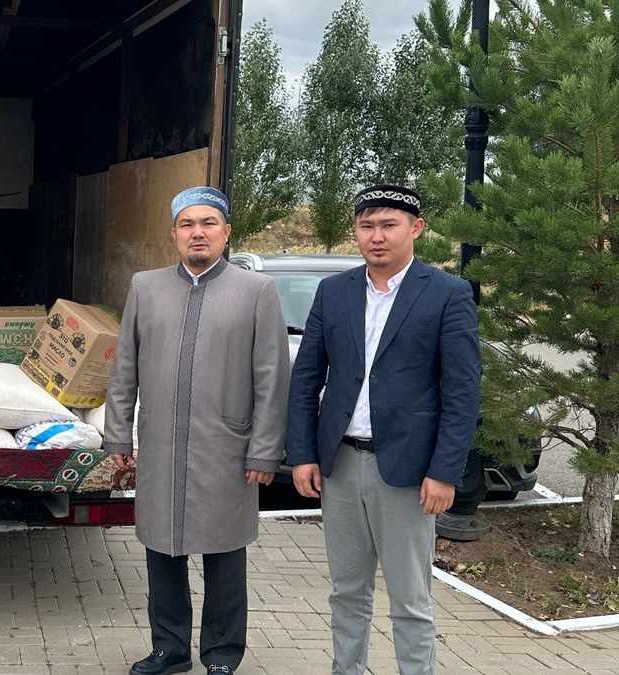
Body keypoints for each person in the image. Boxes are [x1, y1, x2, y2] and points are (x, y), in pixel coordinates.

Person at [286, 185, 481, 675]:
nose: (377, 236)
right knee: (346, 592)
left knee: (410, 600)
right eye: (367, 225)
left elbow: (462, 393)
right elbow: (306, 378)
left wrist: (445, 471)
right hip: (340, 465)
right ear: (356, 231)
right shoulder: (334, 292)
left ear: (415, 229)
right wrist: (303, 453)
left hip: (409, 473)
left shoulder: (447, 294)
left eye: (389, 225)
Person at [105, 186, 290, 675]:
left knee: (225, 552)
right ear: (174, 234)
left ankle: (222, 654)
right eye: (187, 224)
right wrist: (118, 435)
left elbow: (272, 377)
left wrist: (264, 451)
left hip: (227, 446)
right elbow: (125, 370)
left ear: (226, 232)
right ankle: (170, 649)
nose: (198, 233)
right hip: (161, 444)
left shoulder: (256, 291)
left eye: (208, 223)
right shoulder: (146, 287)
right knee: (162, 546)